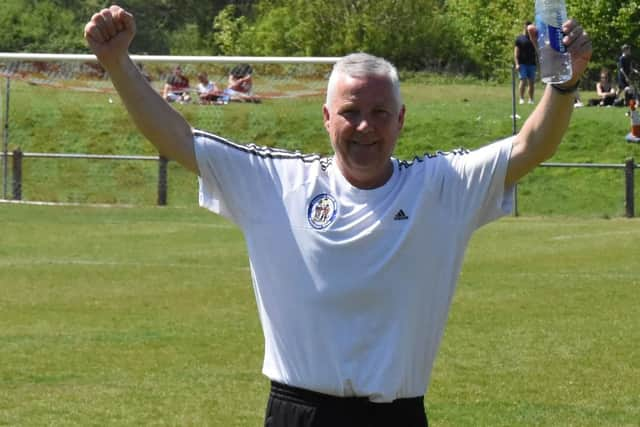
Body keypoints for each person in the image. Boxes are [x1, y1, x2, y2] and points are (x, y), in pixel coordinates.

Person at [84, 7, 592, 426]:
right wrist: (117, 63)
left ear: (401, 120)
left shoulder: (441, 186)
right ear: (327, 118)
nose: (364, 126)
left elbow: (532, 145)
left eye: (379, 113)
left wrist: (563, 87)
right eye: (350, 112)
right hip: (296, 413)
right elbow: (177, 138)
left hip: (397, 415)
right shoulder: (276, 182)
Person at [514, 20, 538, 105]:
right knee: (523, 80)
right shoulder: (519, 38)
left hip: (532, 63)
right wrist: (517, 64)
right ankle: (521, 98)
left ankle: (531, 99)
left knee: (531, 82)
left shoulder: (534, 38)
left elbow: (537, 50)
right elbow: (516, 52)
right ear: (524, 27)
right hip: (522, 63)